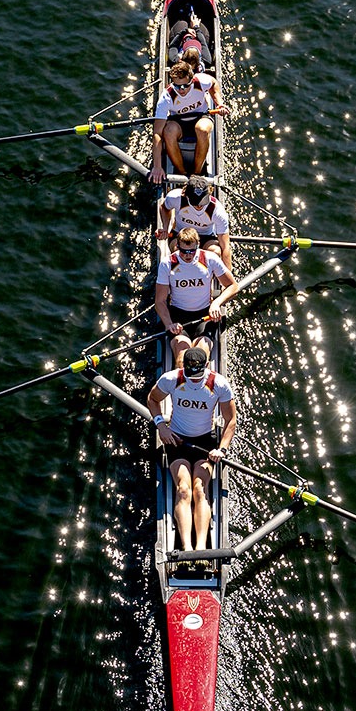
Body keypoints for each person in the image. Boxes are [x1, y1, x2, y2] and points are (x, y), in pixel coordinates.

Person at [147, 343, 235, 558]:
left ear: (206, 367)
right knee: (184, 489)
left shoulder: (219, 384)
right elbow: (152, 399)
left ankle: (201, 550)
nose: (193, 380)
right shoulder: (171, 379)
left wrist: (222, 450)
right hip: (177, 440)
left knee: (200, 489)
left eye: (197, 376)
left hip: (205, 442)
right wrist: (161, 426)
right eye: (190, 376)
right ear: (183, 367)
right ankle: (186, 549)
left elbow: (230, 420)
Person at [155, 227, 237, 369]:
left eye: (192, 251)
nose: (188, 256)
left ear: (198, 245)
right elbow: (160, 302)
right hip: (178, 317)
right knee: (182, 360)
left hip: (205, 316)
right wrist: (168, 324)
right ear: (177, 246)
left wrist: (216, 304)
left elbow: (233, 286)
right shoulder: (167, 264)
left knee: (199, 358)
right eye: (183, 251)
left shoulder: (210, 259)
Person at [148, 55, 228, 184]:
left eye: (185, 86)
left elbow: (213, 83)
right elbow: (157, 133)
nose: (181, 90)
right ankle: (182, 174)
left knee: (202, 129)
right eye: (177, 86)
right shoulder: (166, 97)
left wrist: (219, 104)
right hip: (179, 123)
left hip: (201, 116)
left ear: (192, 79)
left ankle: (197, 173)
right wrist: (157, 166)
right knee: (168, 131)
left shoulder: (200, 81)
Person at [156, 175, 232, 270]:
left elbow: (225, 247)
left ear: (210, 193)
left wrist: (229, 275)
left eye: (203, 201)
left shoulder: (217, 211)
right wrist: (165, 228)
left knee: (215, 252)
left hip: (205, 238)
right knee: (178, 251)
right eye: (195, 202)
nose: (199, 206)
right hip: (180, 234)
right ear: (185, 194)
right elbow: (164, 208)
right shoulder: (175, 197)